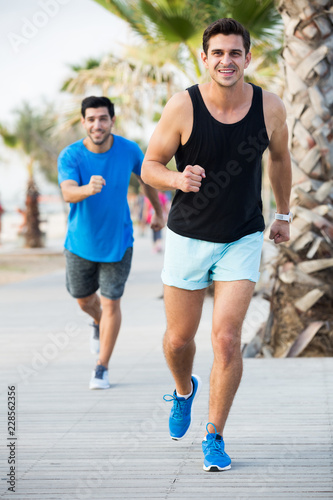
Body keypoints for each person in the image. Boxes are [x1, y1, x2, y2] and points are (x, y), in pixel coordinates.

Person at [142, 18, 292, 472]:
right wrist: (175, 178)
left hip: (242, 236)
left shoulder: (269, 107)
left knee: (227, 340)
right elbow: (150, 165)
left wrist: (283, 213)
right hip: (188, 236)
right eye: (218, 53)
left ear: (249, 58)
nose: (227, 61)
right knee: (177, 339)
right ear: (204, 58)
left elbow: (281, 159)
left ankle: (214, 435)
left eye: (235, 53)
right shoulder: (183, 106)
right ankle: (184, 390)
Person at [58, 96, 164, 390]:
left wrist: (158, 210)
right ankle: (98, 323)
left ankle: (101, 367)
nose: (97, 124)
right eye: (91, 119)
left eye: (103, 118)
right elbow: (67, 193)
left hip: (119, 242)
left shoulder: (129, 150)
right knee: (82, 299)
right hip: (80, 243)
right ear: (83, 122)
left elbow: (148, 179)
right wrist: (86, 188)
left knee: (111, 302)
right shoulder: (71, 156)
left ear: (111, 121)